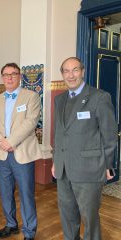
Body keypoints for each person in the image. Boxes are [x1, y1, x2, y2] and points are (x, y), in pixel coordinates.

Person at [51, 57, 117, 240]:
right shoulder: (60, 100)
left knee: (90, 218)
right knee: (67, 215)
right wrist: (56, 161)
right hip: (63, 170)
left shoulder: (99, 97)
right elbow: (59, 133)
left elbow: (109, 136)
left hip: (89, 169)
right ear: (62, 74)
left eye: (75, 70)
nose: (70, 75)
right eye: (66, 71)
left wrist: (108, 165)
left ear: (83, 71)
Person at [0, 62, 42, 240]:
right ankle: (11, 224)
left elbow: (30, 122)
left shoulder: (32, 97)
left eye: (13, 74)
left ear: (20, 76)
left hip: (23, 152)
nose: (10, 77)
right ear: (2, 77)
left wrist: (10, 141)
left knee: (26, 194)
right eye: (6, 74)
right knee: (5, 193)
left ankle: (29, 232)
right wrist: (1, 142)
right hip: (3, 154)